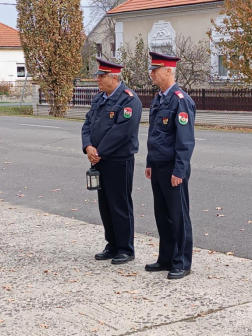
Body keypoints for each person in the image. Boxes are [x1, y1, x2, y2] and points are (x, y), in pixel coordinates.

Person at [82, 59, 142, 265]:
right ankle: (112, 244)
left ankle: (125, 248)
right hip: (99, 160)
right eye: (98, 75)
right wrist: (88, 147)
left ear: (114, 77)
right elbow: (87, 124)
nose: (98, 79)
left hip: (118, 160)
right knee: (105, 205)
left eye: (102, 76)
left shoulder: (129, 100)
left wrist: (99, 152)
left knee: (120, 204)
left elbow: (122, 132)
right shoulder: (99, 99)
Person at [145, 51, 196, 279]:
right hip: (158, 165)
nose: (151, 74)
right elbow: (154, 134)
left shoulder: (181, 100)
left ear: (168, 71)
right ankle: (166, 258)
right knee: (162, 214)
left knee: (178, 216)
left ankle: (182, 262)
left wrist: (179, 170)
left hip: (173, 168)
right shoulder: (159, 98)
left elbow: (184, 141)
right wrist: (149, 162)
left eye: (155, 70)